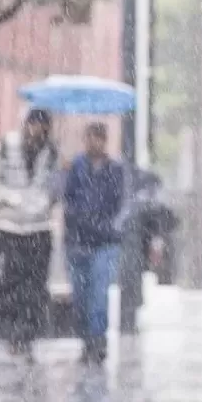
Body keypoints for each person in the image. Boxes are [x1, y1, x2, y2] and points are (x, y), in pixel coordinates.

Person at [0, 108, 59, 359]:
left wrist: (46, 201)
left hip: (39, 227)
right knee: (13, 283)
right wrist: (11, 198)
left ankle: (27, 334)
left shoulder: (52, 152)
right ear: (25, 125)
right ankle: (15, 333)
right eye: (34, 125)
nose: (37, 131)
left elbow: (56, 185)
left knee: (35, 286)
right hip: (10, 227)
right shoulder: (4, 147)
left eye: (43, 126)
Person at [63, 122, 125, 364]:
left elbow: (119, 203)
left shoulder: (115, 169)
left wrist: (104, 226)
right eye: (90, 138)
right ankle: (86, 340)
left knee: (99, 296)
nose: (93, 143)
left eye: (98, 138)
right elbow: (67, 199)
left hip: (104, 242)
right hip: (78, 242)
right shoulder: (76, 168)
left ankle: (98, 342)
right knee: (80, 296)